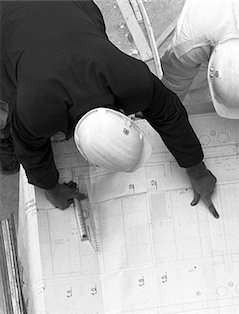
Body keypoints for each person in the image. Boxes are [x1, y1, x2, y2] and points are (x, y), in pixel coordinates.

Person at [0, 0, 219, 218]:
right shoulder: (34, 110)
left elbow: (169, 113)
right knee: (8, 98)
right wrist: (50, 187)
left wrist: (196, 168)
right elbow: (30, 148)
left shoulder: (131, 79)